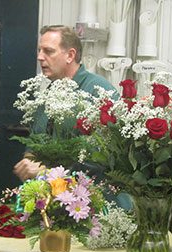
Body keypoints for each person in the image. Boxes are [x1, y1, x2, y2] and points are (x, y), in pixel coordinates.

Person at [13, 25, 131, 210]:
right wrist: (29, 161)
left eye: (48, 51)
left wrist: (46, 172)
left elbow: (100, 156)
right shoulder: (49, 94)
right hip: (58, 202)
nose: (40, 57)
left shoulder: (98, 91)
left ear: (70, 55)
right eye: (39, 50)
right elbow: (36, 140)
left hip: (98, 205)